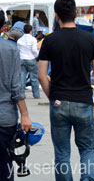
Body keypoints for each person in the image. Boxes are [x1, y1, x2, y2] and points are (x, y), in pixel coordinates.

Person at [37, 0, 94, 181]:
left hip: (59, 101)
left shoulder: (49, 41)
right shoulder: (90, 39)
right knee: (87, 149)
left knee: (61, 153)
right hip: (83, 101)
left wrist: (53, 96)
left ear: (56, 15)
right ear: (76, 14)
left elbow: (41, 76)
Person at [0, 10, 32, 181]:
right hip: (4, 119)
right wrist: (25, 115)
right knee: (5, 167)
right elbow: (16, 88)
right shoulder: (10, 50)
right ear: (3, 27)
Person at [17, 24, 40, 99]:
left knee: (22, 78)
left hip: (21, 59)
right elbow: (34, 50)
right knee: (34, 78)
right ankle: (36, 95)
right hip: (31, 59)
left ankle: (22, 94)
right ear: (31, 31)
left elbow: (18, 50)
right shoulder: (33, 39)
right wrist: (36, 56)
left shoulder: (19, 40)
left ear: (23, 30)